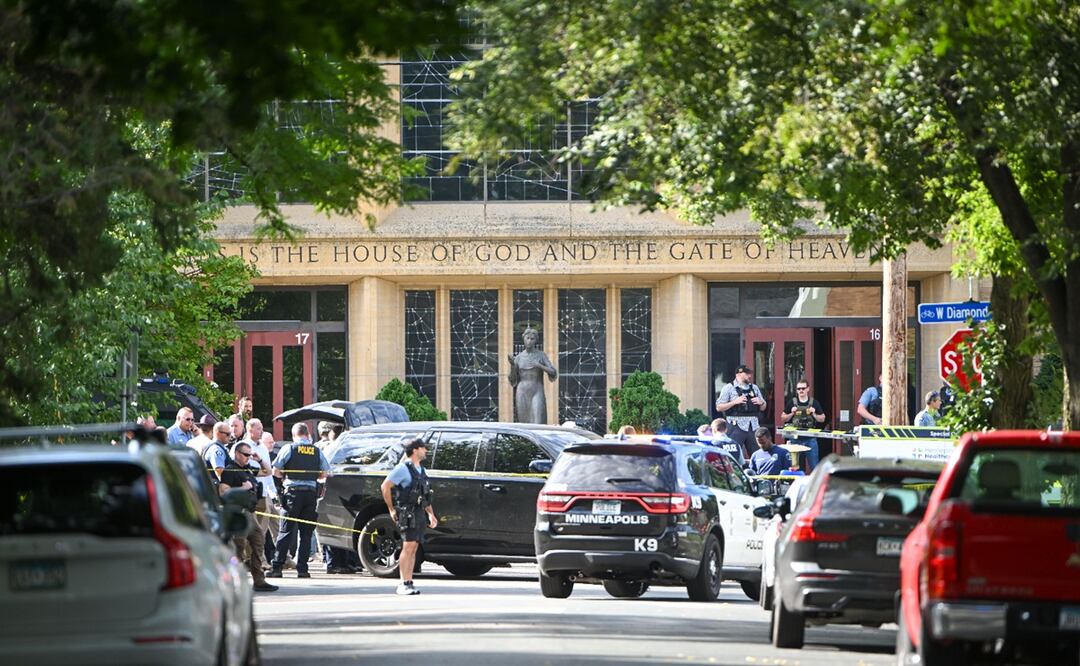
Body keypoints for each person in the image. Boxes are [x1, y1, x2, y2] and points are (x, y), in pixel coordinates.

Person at [268, 423, 330, 580]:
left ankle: (277, 567)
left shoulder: (289, 448)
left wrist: (284, 478)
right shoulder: (316, 451)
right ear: (307, 434)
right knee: (306, 534)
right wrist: (311, 476)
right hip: (310, 496)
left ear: (294, 435)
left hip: (292, 495)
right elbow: (324, 474)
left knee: (285, 532)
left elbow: (275, 471)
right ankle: (302, 569)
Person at [380, 438, 437, 595]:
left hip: (419, 513)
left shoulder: (421, 470)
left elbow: (424, 495)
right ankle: (403, 583)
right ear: (415, 450)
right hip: (407, 513)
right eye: (423, 448)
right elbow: (385, 486)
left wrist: (431, 514)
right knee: (408, 546)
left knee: (414, 547)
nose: (425, 451)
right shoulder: (402, 468)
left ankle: (409, 581)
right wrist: (391, 509)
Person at [220, 440, 277, 592]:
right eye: (245, 455)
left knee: (259, 541)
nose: (248, 457)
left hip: (250, 512)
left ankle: (259, 580)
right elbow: (223, 491)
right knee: (238, 548)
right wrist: (242, 488)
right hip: (237, 512)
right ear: (237, 454)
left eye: (249, 455)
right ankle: (233, 582)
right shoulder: (230, 470)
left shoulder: (248, 469)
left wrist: (258, 459)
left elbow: (267, 472)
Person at [715, 365, 767, 458]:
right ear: (738, 374)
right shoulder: (729, 387)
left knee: (758, 455)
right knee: (732, 455)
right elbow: (719, 407)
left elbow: (763, 408)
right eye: (746, 373)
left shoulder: (754, 388)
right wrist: (735, 402)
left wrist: (761, 402)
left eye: (749, 373)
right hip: (736, 425)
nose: (749, 376)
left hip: (753, 426)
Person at [508, 327, 557, 424]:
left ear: (535, 340)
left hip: (536, 390)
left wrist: (539, 365)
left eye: (532, 339)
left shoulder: (541, 355)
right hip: (522, 391)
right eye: (527, 338)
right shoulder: (519, 357)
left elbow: (553, 372)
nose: (529, 341)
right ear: (524, 339)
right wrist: (513, 365)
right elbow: (512, 379)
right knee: (524, 423)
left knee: (538, 421)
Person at [781, 379, 826, 471]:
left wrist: (814, 414)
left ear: (808, 389)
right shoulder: (792, 402)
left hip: (810, 439)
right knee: (794, 467)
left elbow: (822, 419)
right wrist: (791, 413)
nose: (801, 391)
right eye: (798, 389)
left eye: (803, 388)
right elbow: (783, 418)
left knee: (814, 467)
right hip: (795, 439)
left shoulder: (814, 402)